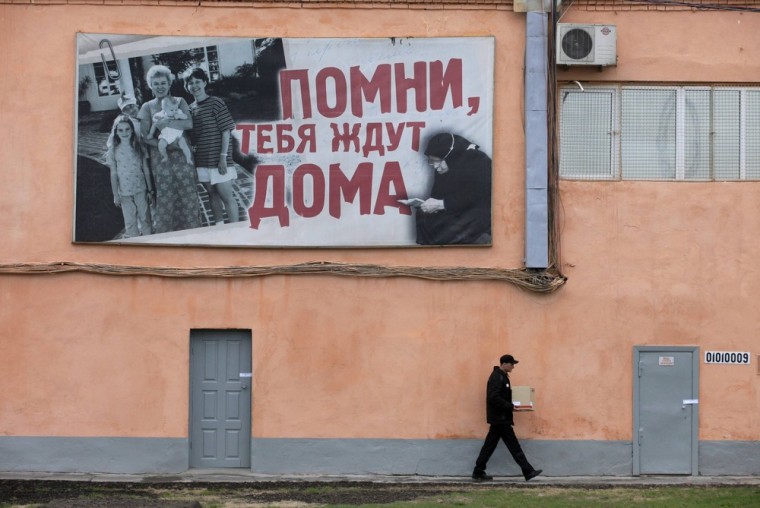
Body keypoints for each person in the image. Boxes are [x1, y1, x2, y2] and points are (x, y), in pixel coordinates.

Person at [137, 65, 201, 234]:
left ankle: (192, 233)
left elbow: (188, 123)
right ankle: (169, 236)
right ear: (150, 85)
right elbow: (145, 137)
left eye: (163, 83)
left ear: (169, 84)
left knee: (188, 194)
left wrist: (165, 124)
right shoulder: (147, 107)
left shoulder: (180, 101)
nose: (160, 87)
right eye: (156, 83)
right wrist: (169, 145)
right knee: (166, 197)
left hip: (183, 157)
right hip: (161, 158)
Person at [184, 67, 241, 224]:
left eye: (197, 81)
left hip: (219, 159)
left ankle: (237, 232)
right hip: (202, 161)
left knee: (226, 196)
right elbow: (191, 136)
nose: (194, 86)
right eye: (190, 83)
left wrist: (223, 158)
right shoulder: (189, 109)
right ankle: (219, 227)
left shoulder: (216, 102)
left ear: (204, 82)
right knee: (212, 195)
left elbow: (226, 131)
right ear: (187, 87)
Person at [472, 354, 542, 482]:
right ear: (503, 364)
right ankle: (528, 471)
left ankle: (478, 471)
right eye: (511, 364)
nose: (513, 366)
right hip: (501, 419)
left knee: (489, 446)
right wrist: (510, 406)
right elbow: (493, 397)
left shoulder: (501, 376)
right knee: (514, 446)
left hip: (499, 419)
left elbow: (500, 396)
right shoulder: (497, 377)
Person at [413, 133, 492, 245]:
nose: (435, 166)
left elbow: (476, 196)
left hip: (478, 213)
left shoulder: (478, 160)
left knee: (457, 225)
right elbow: (437, 194)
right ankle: (428, 253)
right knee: (423, 213)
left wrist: (441, 204)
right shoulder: (444, 164)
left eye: (437, 161)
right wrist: (429, 204)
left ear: (450, 155)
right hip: (454, 210)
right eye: (432, 161)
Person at [105, 115, 154, 238]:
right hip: (124, 193)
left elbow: (146, 169)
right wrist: (116, 194)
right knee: (130, 221)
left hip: (140, 189)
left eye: (127, 129)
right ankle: (136, 245)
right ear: (116, 132)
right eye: (120, 130)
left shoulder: (139, 147)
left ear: (132, 130)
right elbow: (113, 174)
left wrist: (150, 189)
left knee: (145, 218)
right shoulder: (113, 151)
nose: (124, 133)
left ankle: (150, 241)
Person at [147, 96, 194, 164]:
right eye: (172, 110)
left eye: (176, 109)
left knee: (184, 145)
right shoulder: (161, 114)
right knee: (161, 145)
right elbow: (155, 121)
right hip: (166, 136)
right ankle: (165, 156)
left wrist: (179, 116)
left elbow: (185, 116)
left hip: (178, 135)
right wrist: (157, 120)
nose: (174, 111)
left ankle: (188, 158)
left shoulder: (178, 112)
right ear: (164, 109)